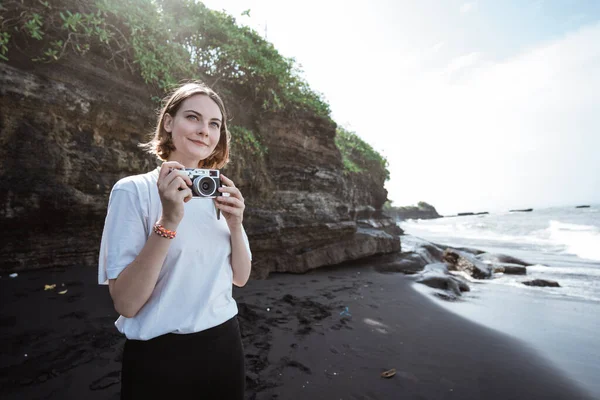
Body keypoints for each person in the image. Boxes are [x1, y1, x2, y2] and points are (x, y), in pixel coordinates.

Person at [97, 81, 252, 399]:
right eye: (193, 117)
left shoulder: (218, 193)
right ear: (168, 122)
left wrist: (236, 223)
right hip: (160, 357)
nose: (204, 131)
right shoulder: (134, 190)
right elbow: (126, 303)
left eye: (214, 124)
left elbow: (240, 277)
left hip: (225, 344)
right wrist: (168, 220)